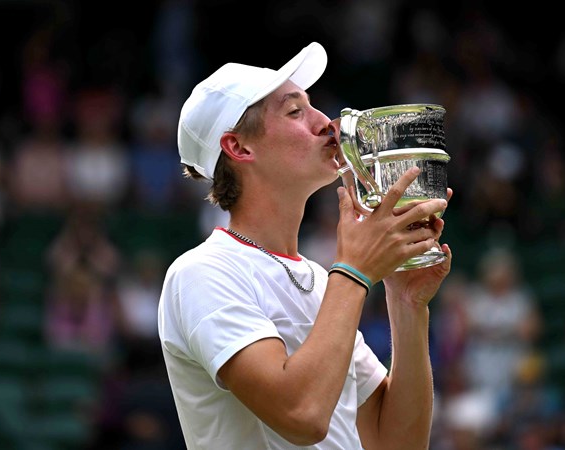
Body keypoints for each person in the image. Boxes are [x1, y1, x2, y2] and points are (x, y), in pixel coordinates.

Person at [157, 41, 452, 449]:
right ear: (239, 147)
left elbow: (397, 443)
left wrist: (407, 305)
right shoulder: (201, 273)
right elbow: (302, 416)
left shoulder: (318, 278)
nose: (326, 123)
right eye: (295, 111)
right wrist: (355, 271)